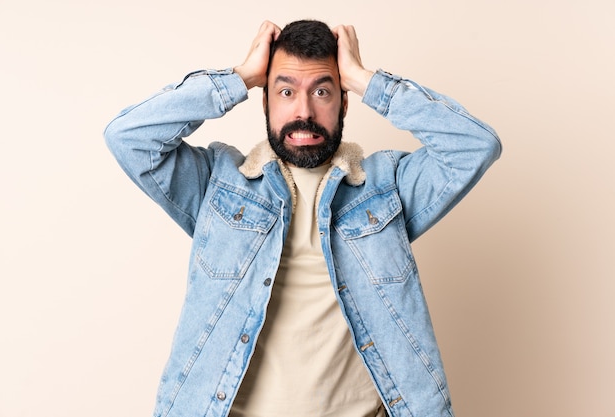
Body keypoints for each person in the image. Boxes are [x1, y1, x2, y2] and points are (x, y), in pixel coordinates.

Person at [104, 19, 501, 417]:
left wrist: (366, 80)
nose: (303, 111)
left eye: (323, 91)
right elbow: (129, 137)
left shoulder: (386, 189)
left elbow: (474, 146)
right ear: (266, 101)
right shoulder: (218, 185)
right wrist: (239, 78)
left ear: (345, 101)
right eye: (286, 91)